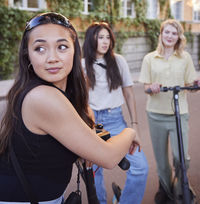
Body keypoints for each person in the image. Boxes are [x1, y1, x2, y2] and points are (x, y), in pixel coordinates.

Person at [0, 12, 138, 204]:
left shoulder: (60, 92)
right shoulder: (42, 97)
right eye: (40, 48)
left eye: (62, 47)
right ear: (28, 56)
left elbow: (84, 123)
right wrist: (131, 131)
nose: (52, 58)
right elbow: (108, 157)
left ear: (75, 51)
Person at [82, 22, 148, 204]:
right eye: (100, 37)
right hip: (95, 123)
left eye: (107, 37)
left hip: (116, 120)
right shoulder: (81, 64)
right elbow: (79, 99)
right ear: (91, 39)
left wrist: (134, 126)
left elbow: (128, 92)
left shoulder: (119, 61)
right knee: (95, 170)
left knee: (140, 167)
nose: (105, 41)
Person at [139, 19, 198, 204]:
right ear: (161, 34)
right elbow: (145, 87)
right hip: (155, 114)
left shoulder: (185, 58)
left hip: (179, 115)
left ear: (178, 36)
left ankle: (182, 189)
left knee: (180, 158)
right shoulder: (150, 58)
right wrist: (152, 87)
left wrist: (195, 85)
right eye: (167, 32)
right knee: (162, 161)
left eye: (174, 33)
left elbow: (190, 85)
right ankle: (165, 189)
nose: (170, 36)